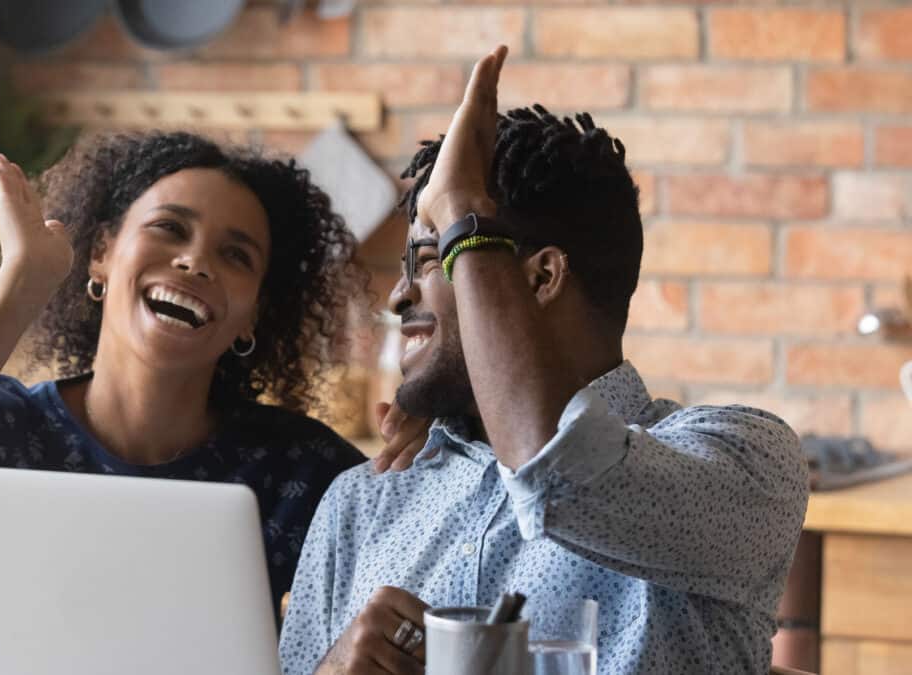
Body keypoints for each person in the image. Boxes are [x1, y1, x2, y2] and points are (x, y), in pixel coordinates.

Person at [279, 46, 809, 674]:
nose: (397, 296)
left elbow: (556, 470)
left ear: (540, 278)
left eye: (429, 261)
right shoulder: (364, 502)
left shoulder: (743, 461)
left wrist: (462, 216)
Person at [0, 131, 426, 614]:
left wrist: (423, 477)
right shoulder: (4, 427)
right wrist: (20, 283)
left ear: (255, 315)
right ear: (100, 254)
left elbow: (429, 593)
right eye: (169, 228)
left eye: (235, 255)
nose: (195, 260)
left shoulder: (299, 468)